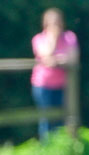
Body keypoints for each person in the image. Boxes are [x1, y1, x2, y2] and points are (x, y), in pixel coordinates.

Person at [31, 8, 79, 140]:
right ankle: (47, 151)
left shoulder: (70, 37)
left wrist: (55, 60)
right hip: (43, 85)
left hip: (63, 84)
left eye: (58, 22)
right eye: (52, 22)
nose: (56, 25)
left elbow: (73, 59)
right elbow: (45, 55)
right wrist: (52, 38)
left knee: (63, 119)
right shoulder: (39, 39)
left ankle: (61, 150)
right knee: (46, 119)